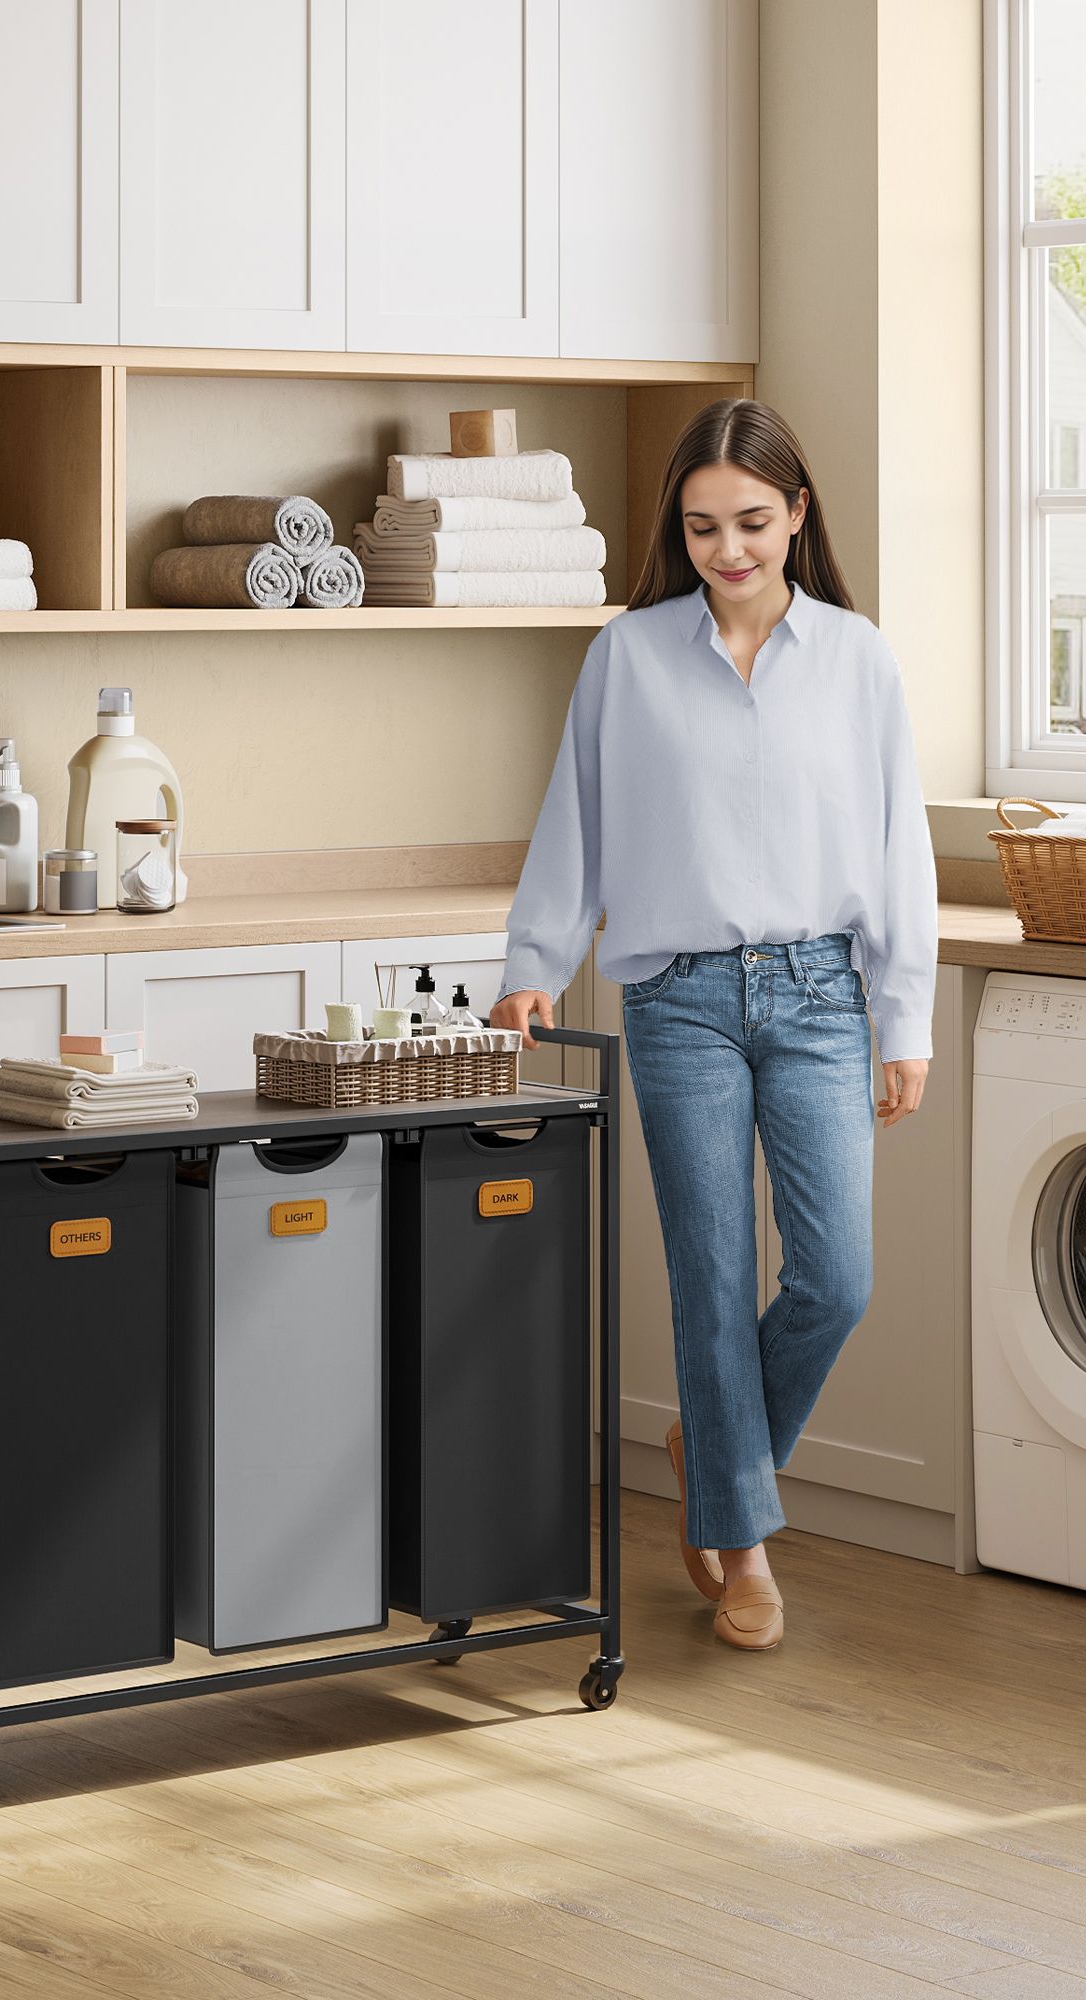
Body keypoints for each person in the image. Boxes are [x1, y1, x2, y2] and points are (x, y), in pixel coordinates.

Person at [489, 397, 937, 1651]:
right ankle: (739, 1545)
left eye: (749, 520)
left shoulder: (857, 658)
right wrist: (533, 962)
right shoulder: (626, 657)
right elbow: (574, 819)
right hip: (678, 1001)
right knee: (711, 1274)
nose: (727, 549)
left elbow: (898, 845)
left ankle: (714, 1452)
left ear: (796, 512)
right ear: (675, 530)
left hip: (820, 996)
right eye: (700, 528)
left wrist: (904, 1017)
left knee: (836, 1278)